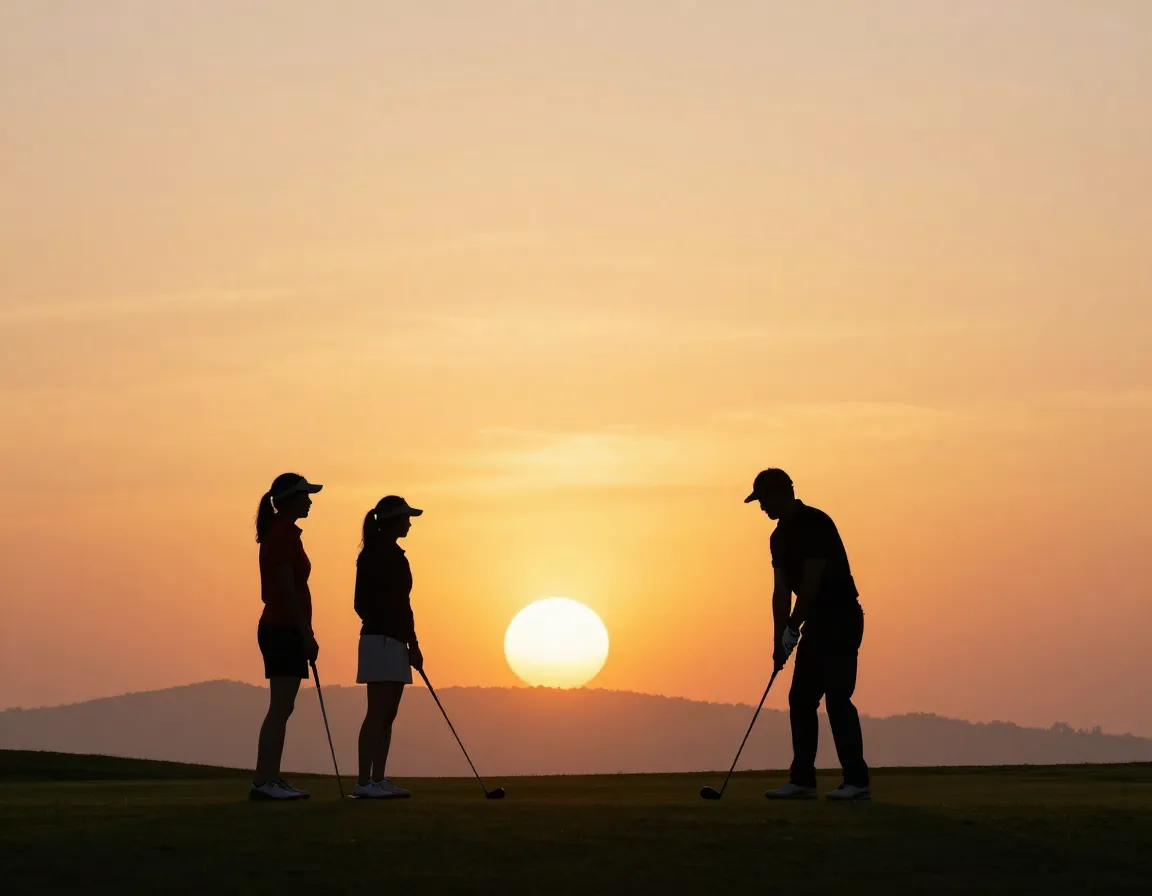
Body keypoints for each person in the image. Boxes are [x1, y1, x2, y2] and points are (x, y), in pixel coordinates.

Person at [745, 468, 871, 801]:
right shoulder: (778, 536)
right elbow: (781, 590)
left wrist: (792, 627)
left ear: (783, 493)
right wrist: (778, 640)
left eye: (765, 500)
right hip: (815, 623)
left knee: (837, 698)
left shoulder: (816, 522)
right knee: (800, 699)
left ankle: (857, 782)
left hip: (841, 617)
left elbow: (813, 583)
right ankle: (803, 781)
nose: (762, 508)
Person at [250, 472, 323, 801]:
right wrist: (305, 633)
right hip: (282, 628)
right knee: (279, 707)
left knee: (283, 707)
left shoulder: (288, 534)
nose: (309, 501)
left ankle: (271, 778)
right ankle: (265, 781)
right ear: (290, 499)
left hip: (285, 627)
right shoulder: (281, 536)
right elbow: (285, 590)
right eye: (305, 495)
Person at [352, 495, 425, 799]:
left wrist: (411, 642)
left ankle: (378, 779)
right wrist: (396, 632)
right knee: (377, 712)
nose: (409, 522)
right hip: (380, 640)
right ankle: (364, 781)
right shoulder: (377, 555)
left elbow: (404, 605)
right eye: (405, 517)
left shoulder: (394, 554)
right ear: (393, 520)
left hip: (394, 641)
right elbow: (362, 604)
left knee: (389, 713)